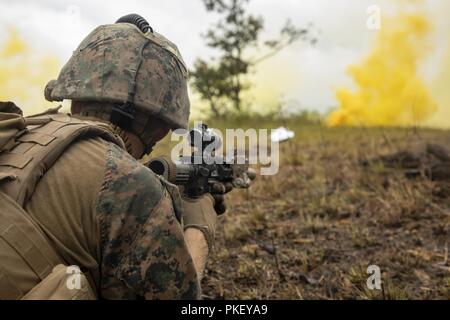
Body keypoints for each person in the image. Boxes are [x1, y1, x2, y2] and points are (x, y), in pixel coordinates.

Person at [0, 14, 228, 299]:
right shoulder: (130, 184)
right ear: (159, 125)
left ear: (74, 92)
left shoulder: (19, 131)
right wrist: (199, 224)